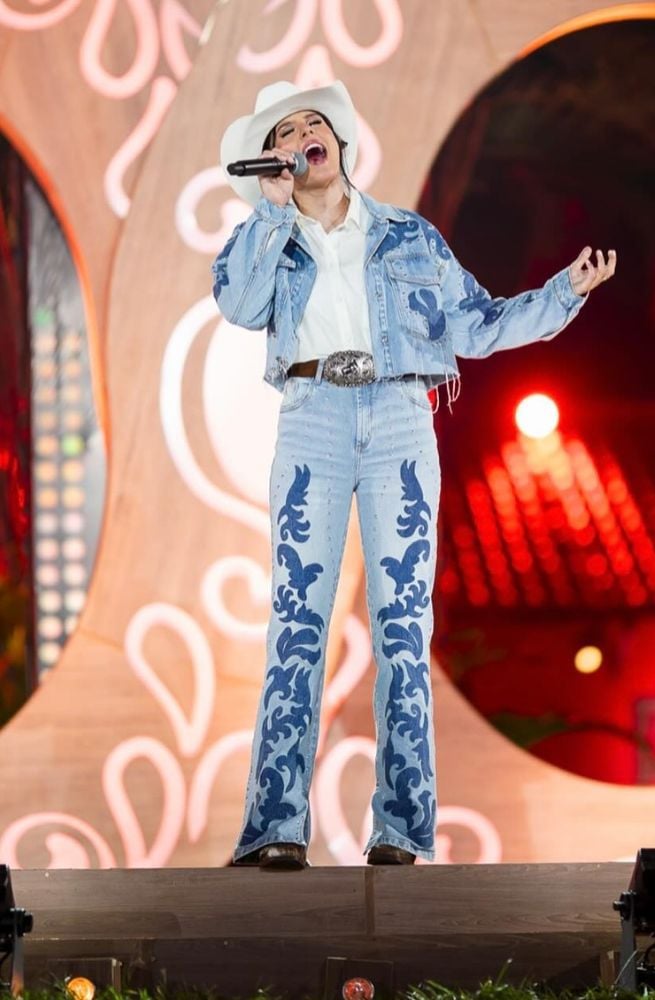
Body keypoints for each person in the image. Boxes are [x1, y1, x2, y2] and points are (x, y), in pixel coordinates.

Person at [213, 80, 616, 870]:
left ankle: (402, 831)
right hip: (313, 417)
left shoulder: (408, 238)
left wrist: (564, 293)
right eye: (287, 131)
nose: (302, 135)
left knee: (405, 630)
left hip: (399, 420)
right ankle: (275, 829)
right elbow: (236, 303)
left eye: (313, 123)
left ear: (340, 141)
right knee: (298, 625)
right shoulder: (267, 236)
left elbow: (477, 325)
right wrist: (270, 208)